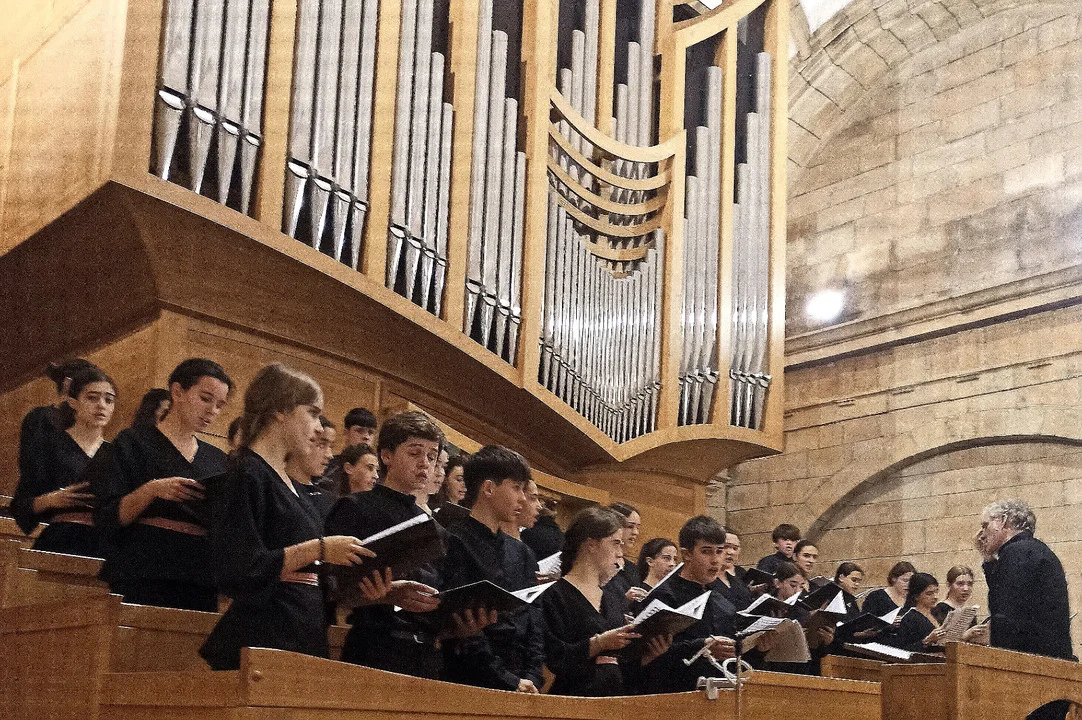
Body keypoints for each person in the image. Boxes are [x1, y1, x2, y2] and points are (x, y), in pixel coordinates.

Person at [200, 364, 384, 670]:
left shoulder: (288, 482)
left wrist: (375, 590)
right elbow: (238, 569)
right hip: (264, 635)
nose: (318, 427)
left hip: (300, 629)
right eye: (312, 413)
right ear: (280, 411)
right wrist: (319, 549)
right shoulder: (247, 474)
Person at [324, 410, 492, 679]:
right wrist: (388, 594)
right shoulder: (355, 508)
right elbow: (331, 586)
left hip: (427, 655)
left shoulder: (437, 529)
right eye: (415, 453)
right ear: (386, 456)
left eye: (432, 456)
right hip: (375, 649)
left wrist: (461, 624)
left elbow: (439, 599)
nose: (425, 464)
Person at [91, 358, 233, 611]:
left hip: (200, 573)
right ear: (177, 392)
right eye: (205, 399)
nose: (212, 410)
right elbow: (107, 516)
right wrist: (151, 490)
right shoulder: (133, 443)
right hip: (143, 566)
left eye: (220, 405)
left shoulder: (217, 459)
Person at [441, 446, 544, 693]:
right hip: (471, 681)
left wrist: (532, 674)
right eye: (516, 488)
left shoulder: (522, 552)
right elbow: (466, 623)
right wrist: (506, 679)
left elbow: (533, 618)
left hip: (522, 679)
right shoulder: (454, 541)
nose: (523, 498)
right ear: (488, 488)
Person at [540, 507, 671, 696]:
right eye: (615, 543)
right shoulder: (554, 595)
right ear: (591, 544)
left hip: (613, 699)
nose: (620, 553)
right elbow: (553, 659)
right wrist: (598, 643)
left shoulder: (613, 597)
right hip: (571, 700)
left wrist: (648, 655)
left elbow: (621, 667)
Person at [977, 499, 1074, 720]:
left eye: (985, 525)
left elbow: (1008, 614)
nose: (982, 535)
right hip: (1050, 665)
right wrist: (989, 561)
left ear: (1003, 521)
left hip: (1030, 670)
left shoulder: (1016, 553)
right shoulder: (1034, 550)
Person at [13, 366, 116, 557]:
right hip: (60, 541)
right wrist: (51, 499)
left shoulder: (117, 454)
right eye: (92, 398)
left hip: (106, 546)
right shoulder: (50, 446)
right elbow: (20, 506)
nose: (101, 405)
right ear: (73, 401)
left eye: (109, 400)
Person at [642, 516, 737, 693]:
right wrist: (702, 646)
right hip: (674, 694)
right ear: (687, 554)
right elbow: (649, 655)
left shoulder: (722, 600)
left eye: (719, 551)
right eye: (706, 551)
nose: (715, 560)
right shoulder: (664, 596)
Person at [286, 417, 338, 520]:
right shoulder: (276, 489)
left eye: (331, 447)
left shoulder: (329, 499)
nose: (330, 455)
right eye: (321, 444)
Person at [885, 572, 945, 654]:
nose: (935, 597)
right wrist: (927, 640)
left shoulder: (937, 613)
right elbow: (902, 650)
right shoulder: (910, 618)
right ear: (916, 596)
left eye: (936, 592)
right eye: (929, 594)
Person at [604, 502, 645, 611]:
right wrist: (624, 599)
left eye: (637, 527)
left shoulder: (632, 568)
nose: (635, 532)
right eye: (630, 526)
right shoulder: (602, 563)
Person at [714, 530, 755, 610]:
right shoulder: (704, 579)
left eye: (735, 548)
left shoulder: (735, 578)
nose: (731, 552)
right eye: (725, 547)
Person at [432, 454, 471, 529]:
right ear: (445, 479)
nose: (465, 485)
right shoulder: (436, 509)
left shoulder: (468, 511)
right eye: (459, 480)